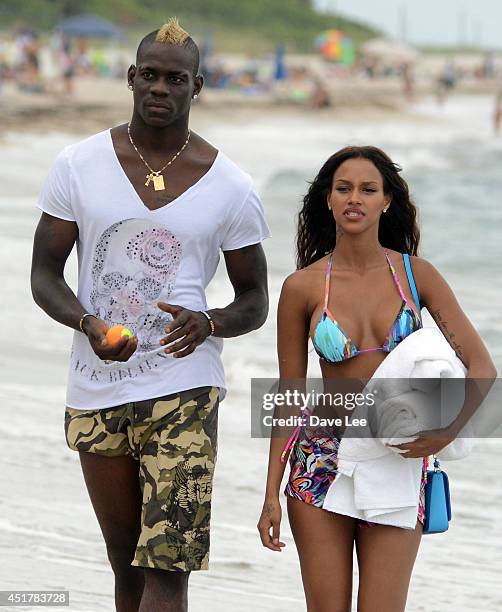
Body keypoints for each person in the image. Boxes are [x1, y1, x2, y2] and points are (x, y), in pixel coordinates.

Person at [31, 17, 271, 612]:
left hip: (185, 388)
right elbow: (43, 275)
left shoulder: (231, 185)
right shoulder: (79, 164)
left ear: (198, 87)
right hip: (96, 388)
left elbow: (254, 300)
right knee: (125, 564)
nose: (161, 88)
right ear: (131, 79)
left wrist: (210, 322)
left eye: (176, 79)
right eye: (151, 76)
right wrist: (89, 324)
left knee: (168, 565)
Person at [257, 146, 496, 611]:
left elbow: (482, 369)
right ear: (327, 198)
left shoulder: (417, 276)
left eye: (368, 190)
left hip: (398, 459)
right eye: (343, 188)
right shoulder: (303, 287)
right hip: (320, 460)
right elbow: (289, 396)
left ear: (387, 201)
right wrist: (270, 491)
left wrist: (445, 433)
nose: (355, 199)